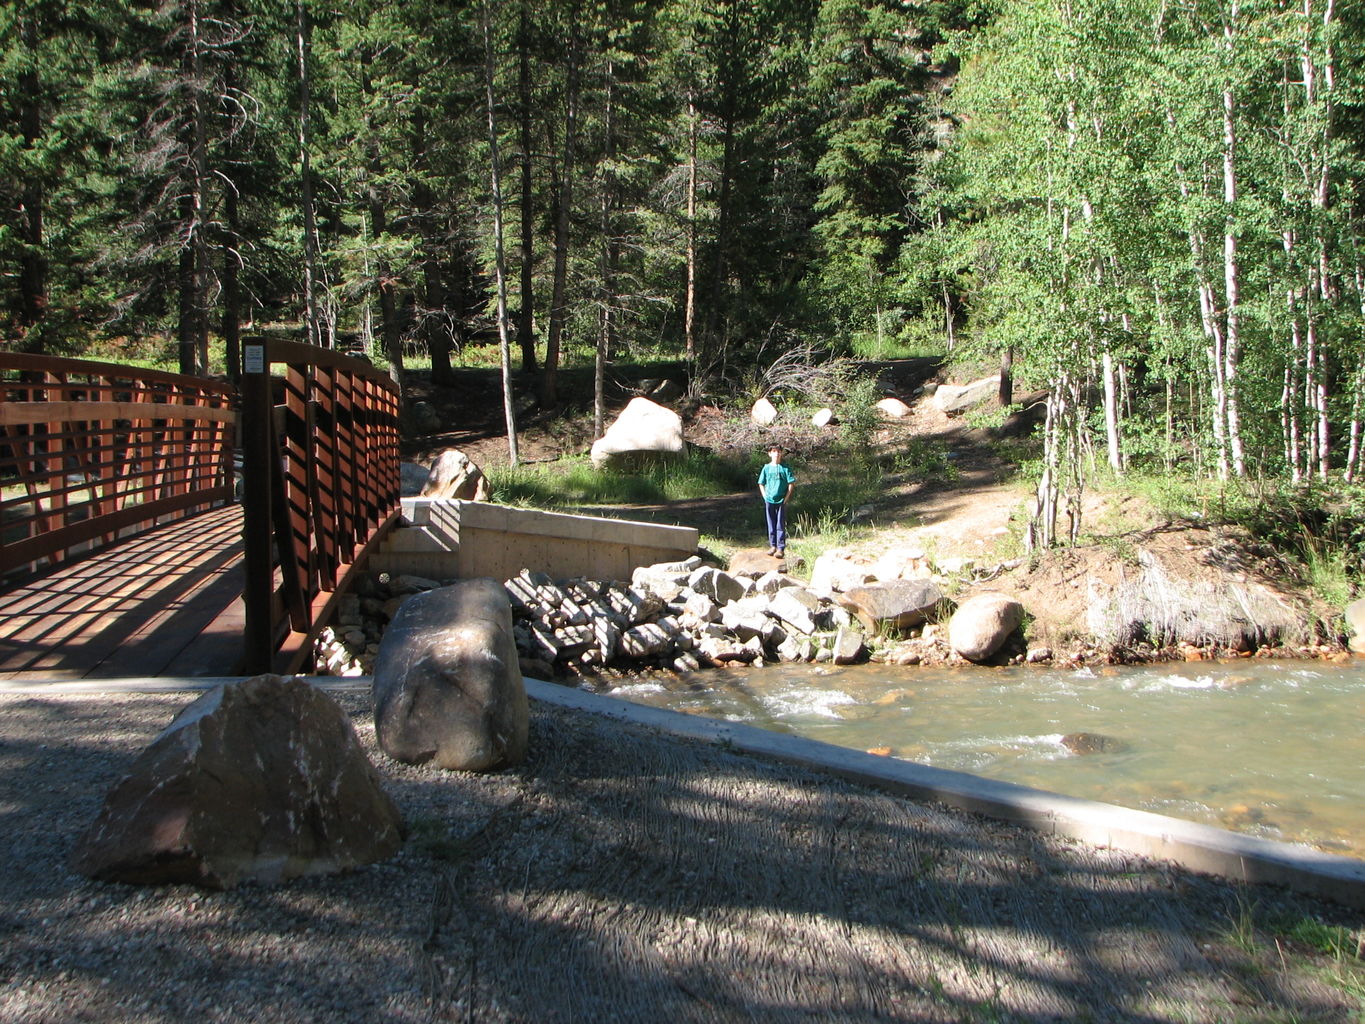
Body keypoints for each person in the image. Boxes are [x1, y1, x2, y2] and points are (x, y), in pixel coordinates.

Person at [757, 443, 795, 558]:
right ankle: (772, 545)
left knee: (780, 524)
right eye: (774, 451)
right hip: (769, 500)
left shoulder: (785, 468)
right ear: (770, 454)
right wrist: (764, 496)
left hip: (781, 501)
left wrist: (786, 498)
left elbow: (791, 484)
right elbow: (761, 483)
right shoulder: (766, 468)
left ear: (781, 453)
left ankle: (780, 548)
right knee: (771, 523)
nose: (776, 454)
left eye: (778, 451)